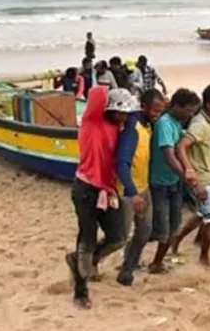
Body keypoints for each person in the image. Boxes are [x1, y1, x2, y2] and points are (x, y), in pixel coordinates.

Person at [65, 86, 135, 309]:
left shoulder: (118, 128)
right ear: (108, 109)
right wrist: (110, 85)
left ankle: (82, 261)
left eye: (126, 113)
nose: (123, 116)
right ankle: (81, 291)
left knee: (118, 236)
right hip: (86, 188)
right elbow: (96, 93)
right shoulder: (92, 121)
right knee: (87, 239)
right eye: (120, 111)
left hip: (107, 190)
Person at [170, 83, 210, 267]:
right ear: (209, 105)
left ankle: (176, 239)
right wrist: (190, 172)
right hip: (201, 179)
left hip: (206, 174)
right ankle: (204, 257)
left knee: (201, 214)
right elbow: (181, 146)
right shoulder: (200, 124)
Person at [115, 89, 167, 287]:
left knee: (144, 232)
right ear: (143, 107)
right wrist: (132, 192)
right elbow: (122, 163)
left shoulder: (148, 126)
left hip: (143, 188)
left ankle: (127, 271)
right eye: (155, 111)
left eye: (160, 111)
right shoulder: (132, 129)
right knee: (119, 237)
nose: (157, 115)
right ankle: (88, 261)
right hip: (129, 192)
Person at [147, 88, 201, 275]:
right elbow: (169, 155)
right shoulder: (165, 124)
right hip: (160, 183)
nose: (190, 115)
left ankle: (157, 263)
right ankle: (133, 257)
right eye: (188, 111)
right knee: (159, 229)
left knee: (173, 226)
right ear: (177, 106)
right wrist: (186, 175)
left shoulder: (177, 124)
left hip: (174, 183)